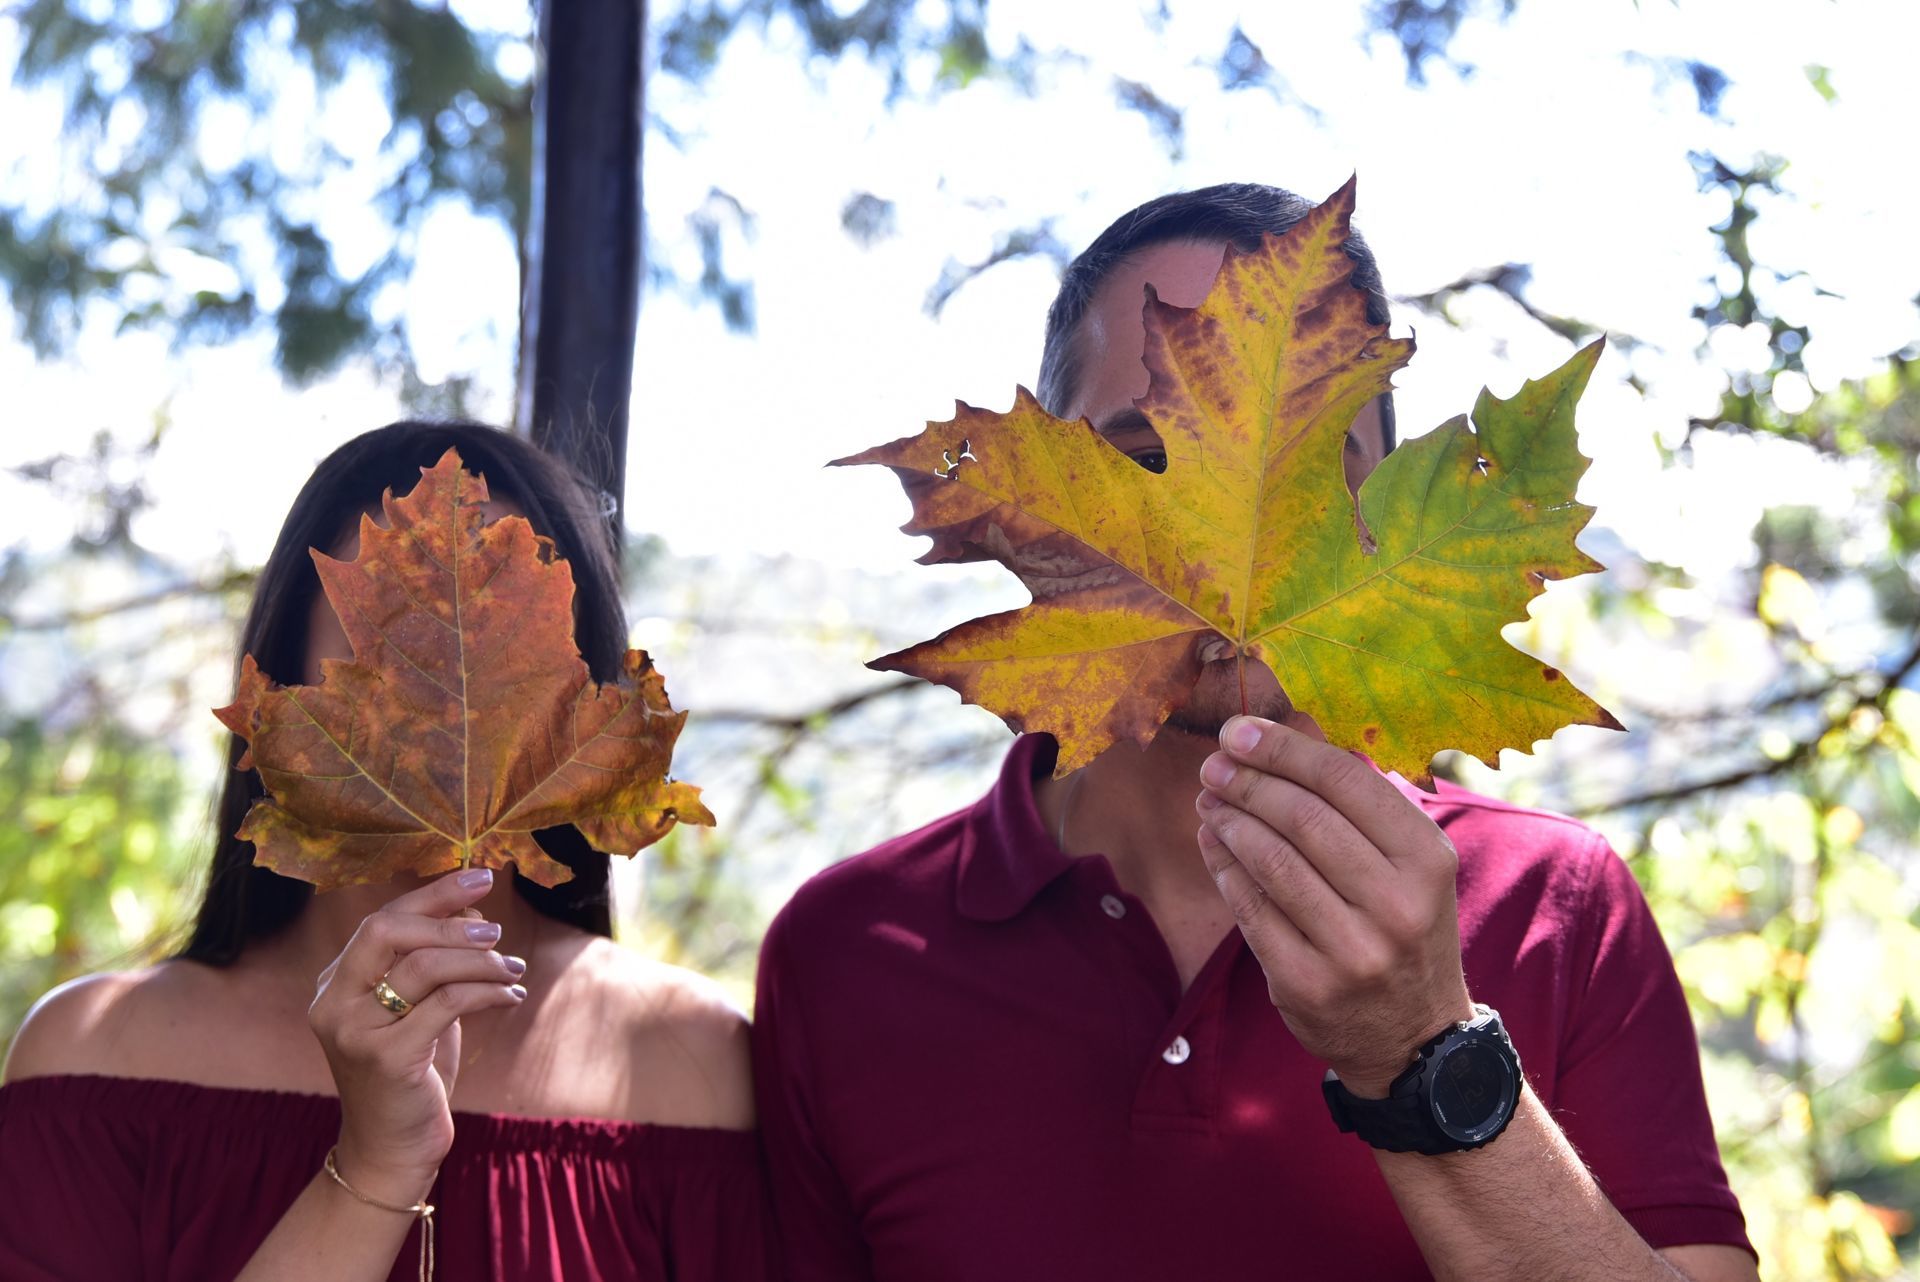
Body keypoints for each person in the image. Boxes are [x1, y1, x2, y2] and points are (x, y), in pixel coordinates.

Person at [752, 185, 1762, 1281]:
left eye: (1321, 475)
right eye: (1143, 463)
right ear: (1030, 516)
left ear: (1386, 515)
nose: (1225, 565)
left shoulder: (1560, 906)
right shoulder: (843, 951)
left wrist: (1424, 1053)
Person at [0, 423, 773, 1282]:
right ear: (282, 693)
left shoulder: (701, 1067)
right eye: (393, 647)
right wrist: (371, 1171)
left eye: (508, 661)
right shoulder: (92, 1058)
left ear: (590, 697)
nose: (450, 711)